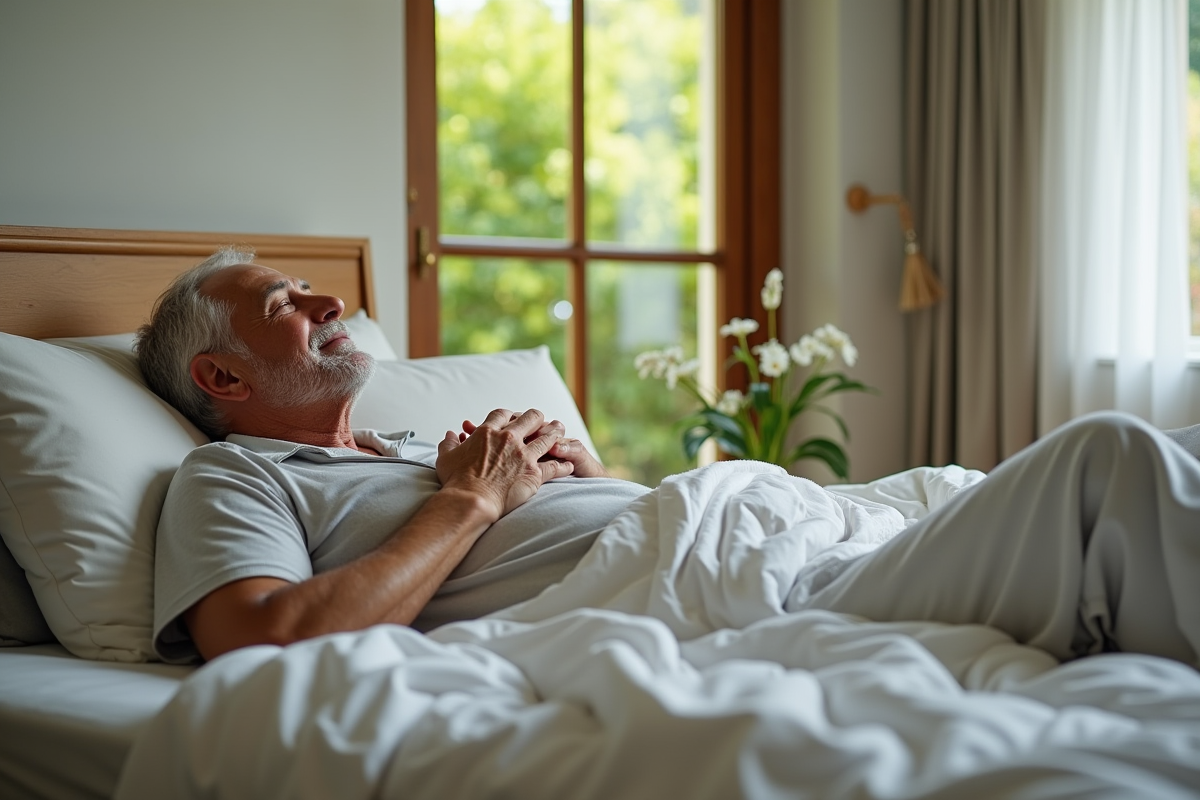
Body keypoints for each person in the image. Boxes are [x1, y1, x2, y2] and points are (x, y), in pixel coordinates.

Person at [138, 248, 1200, 668]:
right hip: (749, 592)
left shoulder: (412, 447)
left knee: (1159, 460)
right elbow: (261, 637)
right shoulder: (236, 476)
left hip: (753, 531)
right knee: (1106, 466)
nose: (330, 300)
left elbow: (611, 528)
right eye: (287, 303)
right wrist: (472, 501)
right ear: (222, 377)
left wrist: (586, 475)